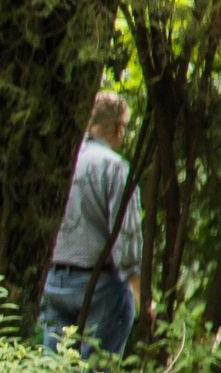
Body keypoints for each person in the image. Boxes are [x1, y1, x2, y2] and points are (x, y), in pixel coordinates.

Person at [38, 91, 143, 358]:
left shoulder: (63, 161)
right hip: (98, 286)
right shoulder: (115, 167)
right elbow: (126, 236)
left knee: (52, 370)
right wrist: (137, 291)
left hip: (53, 280)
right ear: (119, 128)